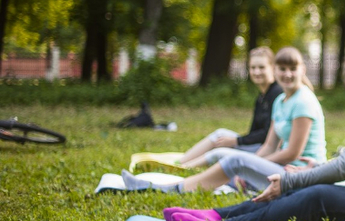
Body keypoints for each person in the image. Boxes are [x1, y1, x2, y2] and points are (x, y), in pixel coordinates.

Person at [160, 46, 345, 221]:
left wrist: (293, 179)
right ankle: (218, 214)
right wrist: (312, 170)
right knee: (303, 186)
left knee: (316, 195)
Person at [121, 46, 326, 193]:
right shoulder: (281, 100)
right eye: (283, 69)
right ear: (276, 70)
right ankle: (166, 186)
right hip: (283, 168)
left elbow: (292, 153)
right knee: (226, 173)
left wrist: (251, 163)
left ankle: (167, 188)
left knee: (233, 162)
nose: (287, 74)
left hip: (300, 174)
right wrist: (252, 163)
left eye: (293, 69)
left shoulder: (303, 101)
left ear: (302, 70)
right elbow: (270, 144)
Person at [176, 47, 283, 169]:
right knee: (220, 135)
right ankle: (182, 162)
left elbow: (269, 135)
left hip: (265, 151)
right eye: (253, 68)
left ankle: (183, 166)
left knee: (219, 143)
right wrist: (237, 141)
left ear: (272, 67)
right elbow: (253, 132)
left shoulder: (277, 94)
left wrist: (236, 141)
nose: (257, 72)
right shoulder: (261, 97)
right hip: (255, 146)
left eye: (261, 67)